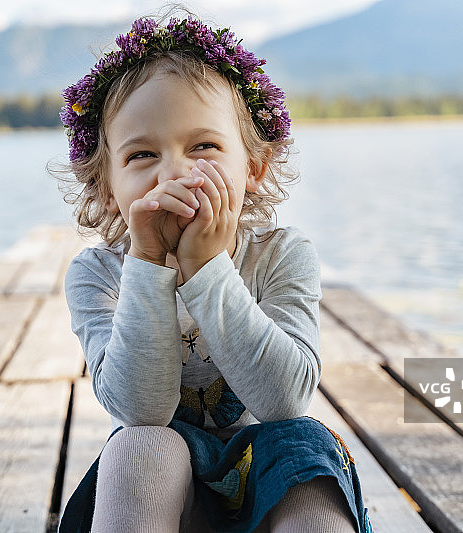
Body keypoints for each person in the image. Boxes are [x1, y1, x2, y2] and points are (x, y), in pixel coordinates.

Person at [57, 13, 374, 533]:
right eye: (141, 154)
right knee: (139, 444)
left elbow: (284, 400)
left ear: (253, 167)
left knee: (303, 440)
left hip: (267, 489)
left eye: (202, 146)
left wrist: (206, 268)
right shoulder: (99, 274)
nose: (175, 173)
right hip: (167, 497)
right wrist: (147, 264)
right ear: (108, 191)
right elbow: (141, 410)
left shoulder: (282, 255)